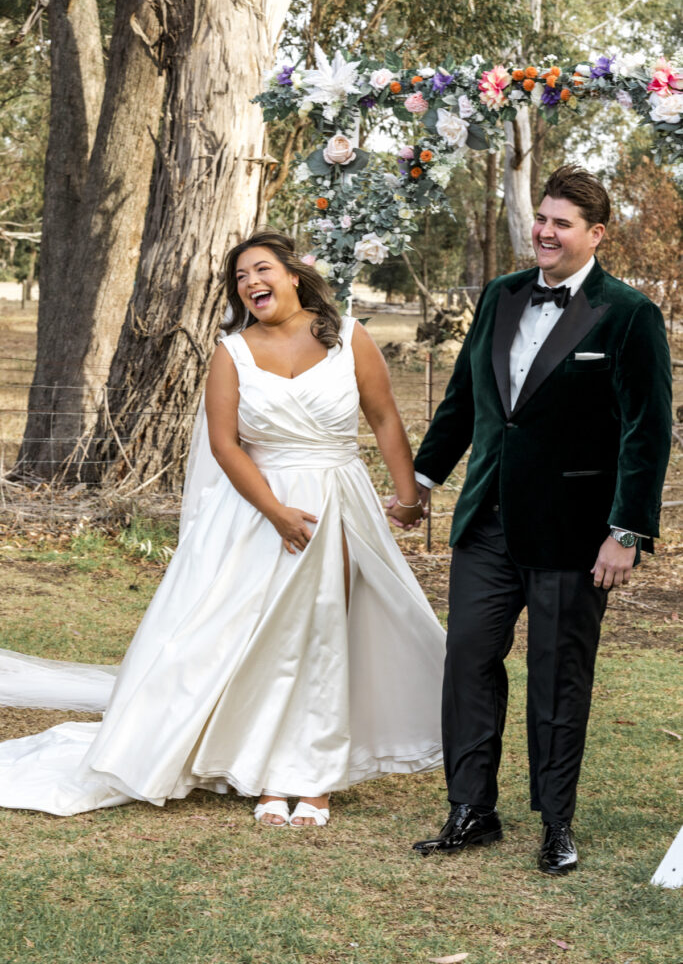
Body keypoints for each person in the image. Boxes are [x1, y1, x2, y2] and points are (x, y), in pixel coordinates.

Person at [0, 231, 446, 824]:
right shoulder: (230, 352)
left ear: (293, 274)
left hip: (339, 500)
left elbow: (386, 416)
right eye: (240, 277)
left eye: (261, 270)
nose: (251, 283)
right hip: (259, 510)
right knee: (256, 639)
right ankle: (262, 769)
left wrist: (410, 496)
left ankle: (313, 777)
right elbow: (225, 445)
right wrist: (276, 512)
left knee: (323, 634)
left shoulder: (350, 339)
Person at [410, 165, 672, 872]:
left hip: (573, 533)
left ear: (595, 234)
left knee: (557, 677)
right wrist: (423, 476)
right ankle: (471, 810)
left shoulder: (627, 314)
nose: (545, 231)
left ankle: (555, 823)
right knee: (467, 658)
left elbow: (646, 432)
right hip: (487, 523)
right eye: (541, 218)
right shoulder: (499, 297)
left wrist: (626, 530)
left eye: (561, 222)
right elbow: (465, 397)